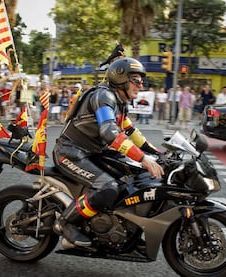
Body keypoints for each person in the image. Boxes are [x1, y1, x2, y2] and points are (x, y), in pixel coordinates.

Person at [52, 57, 164, 247]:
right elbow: (110, 133)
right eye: (136, 80)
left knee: (133, 174)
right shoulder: (104, 97)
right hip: (71, 152)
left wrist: (157, 154)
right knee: (107, 187)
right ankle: (65, 222)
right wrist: (144, 159)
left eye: (142, 81)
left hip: (93, 152)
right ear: (121, 79)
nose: (141, 85)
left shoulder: (119, 101)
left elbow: (131, 132)